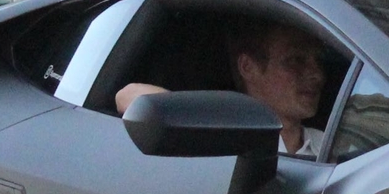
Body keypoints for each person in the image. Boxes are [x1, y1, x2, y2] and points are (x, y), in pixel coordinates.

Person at [116, 20, 330, 156]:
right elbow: (126, 95)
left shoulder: (332, 145)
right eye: (295, 61)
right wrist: (189, 118)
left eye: (318, 62)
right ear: (248, 67)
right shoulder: (222, 139)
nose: (316, 75)